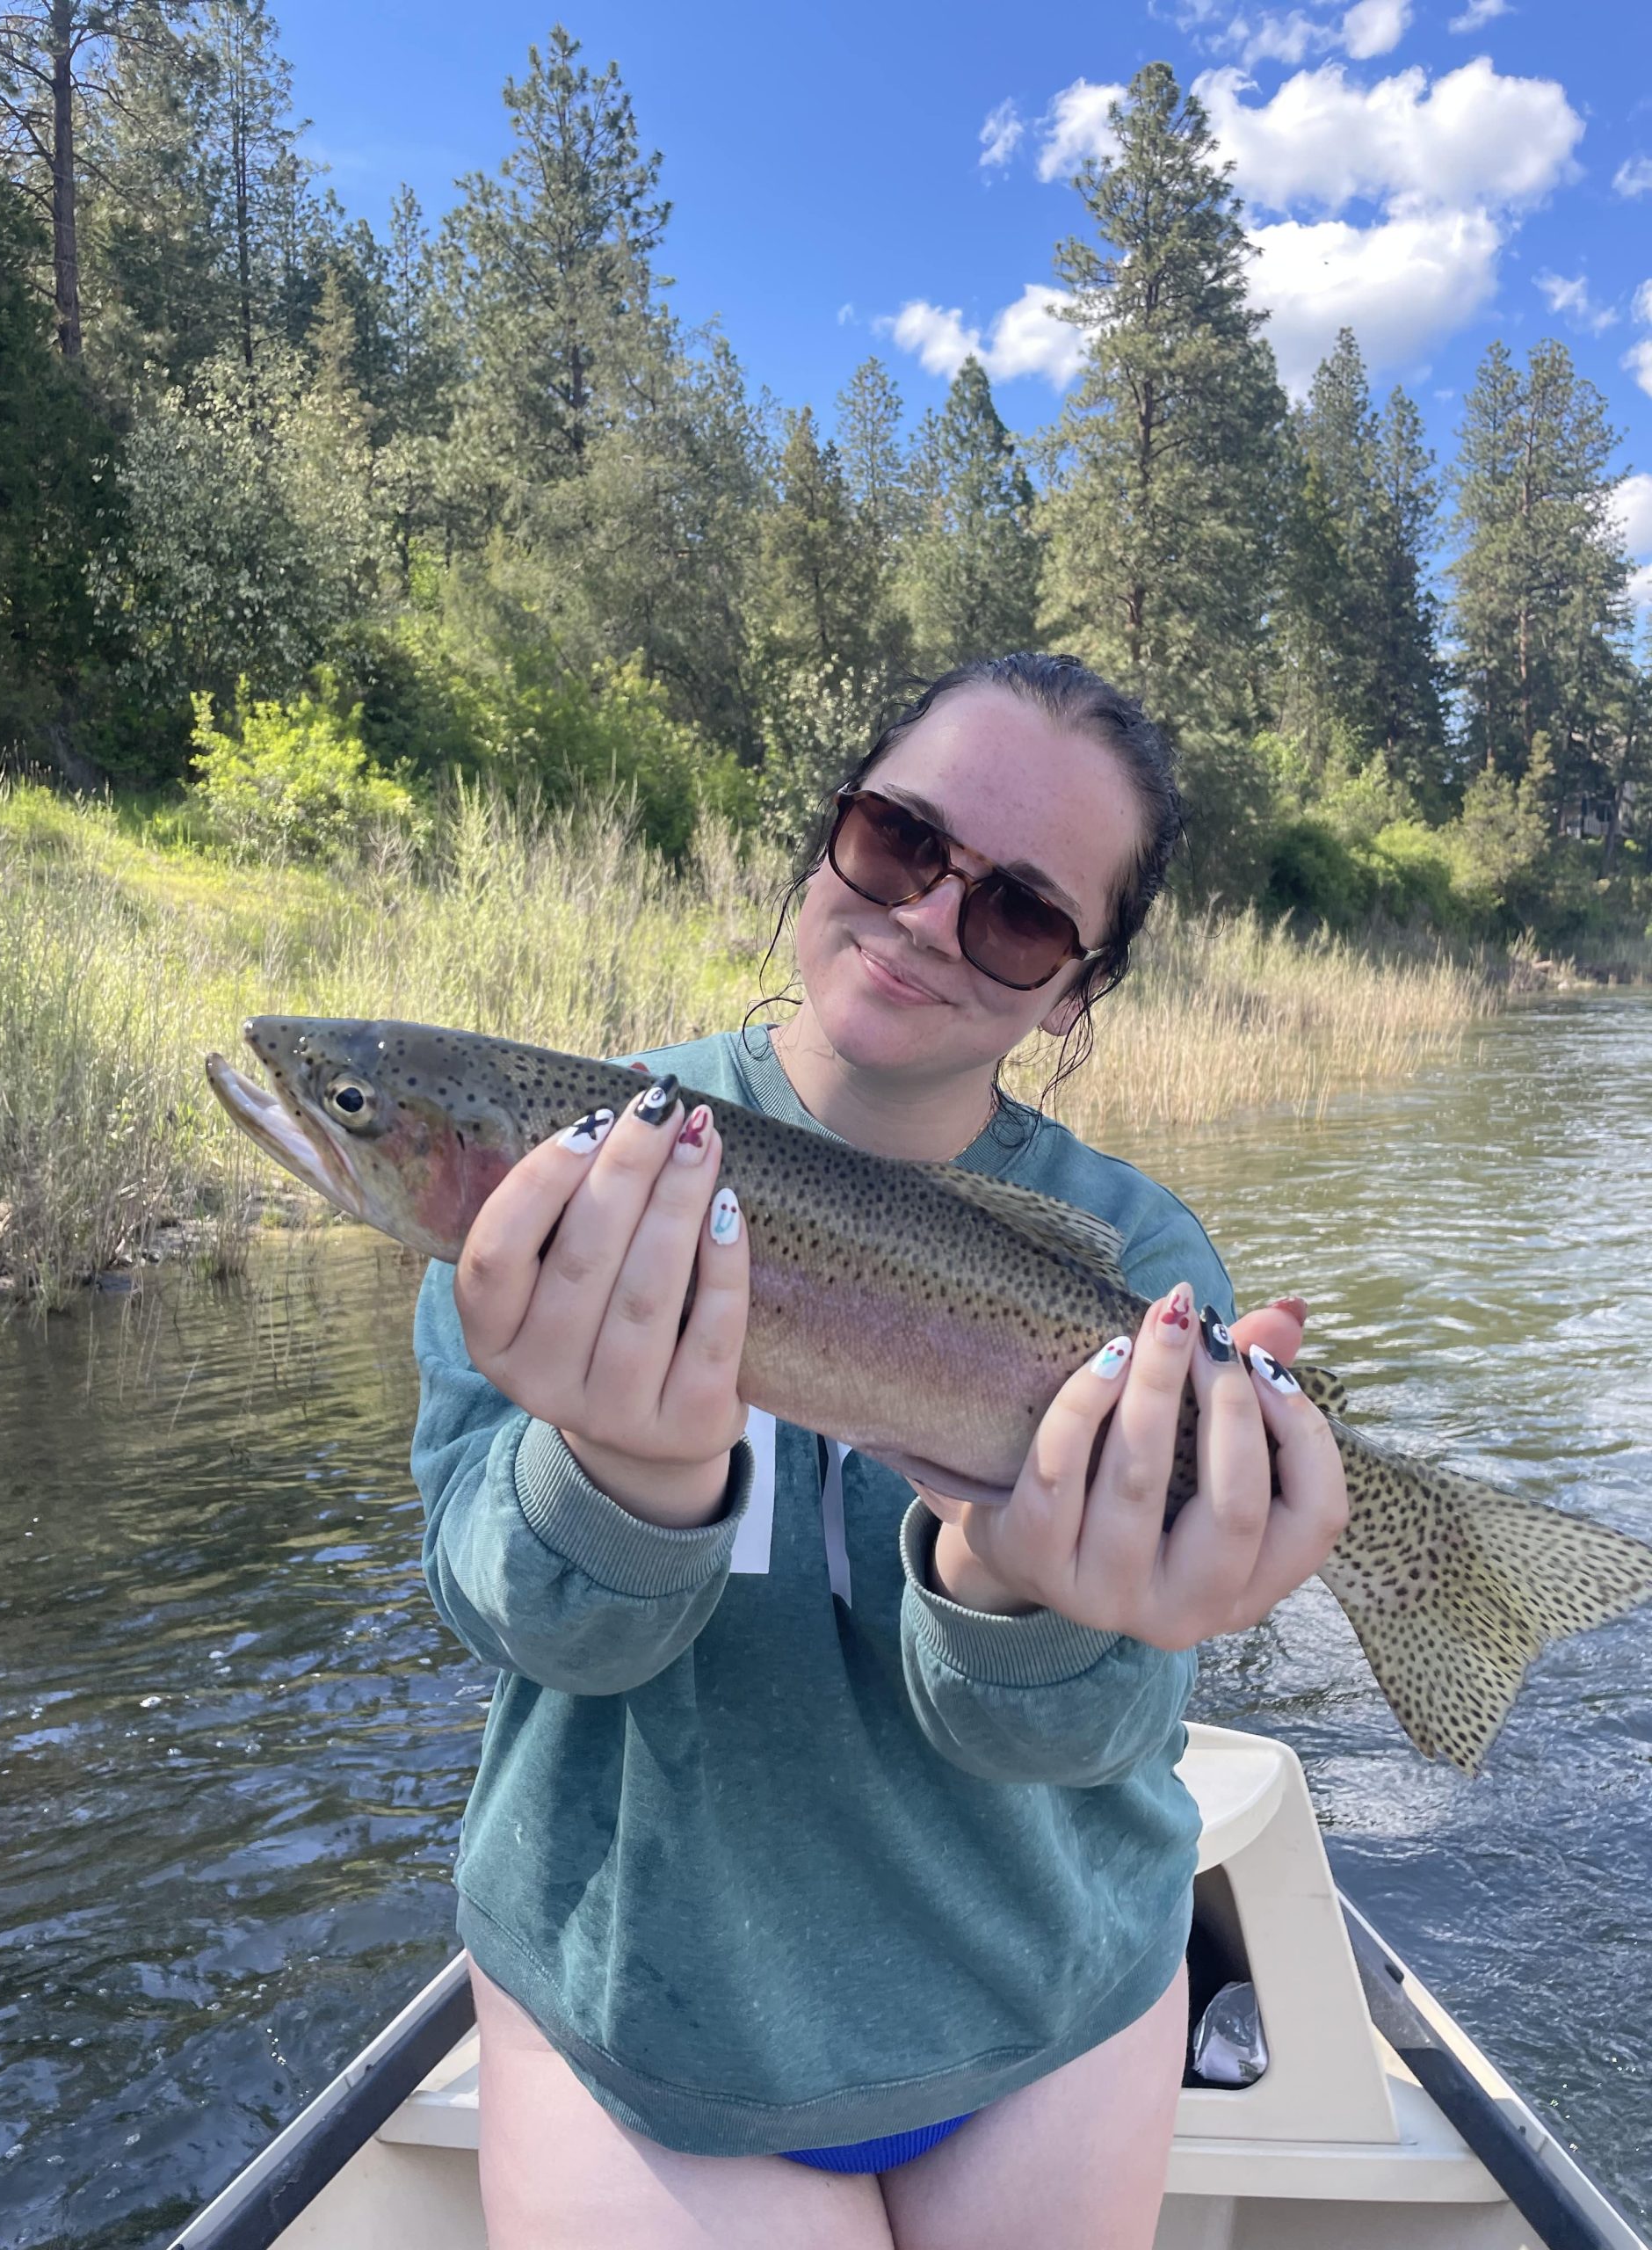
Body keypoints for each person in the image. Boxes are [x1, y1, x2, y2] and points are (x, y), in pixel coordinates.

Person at [410, 653, 1350, 2250]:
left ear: (1076, 987)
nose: (926, 917)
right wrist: (624, 1485)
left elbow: (1093, 1741)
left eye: (1021, 914)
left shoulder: (1132, 1256)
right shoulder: (587, 1173)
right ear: (832, 836)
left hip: (1054, 1994)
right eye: (902, 841)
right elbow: (520, 1625)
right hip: (648, 2016)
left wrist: (1012, 1585)